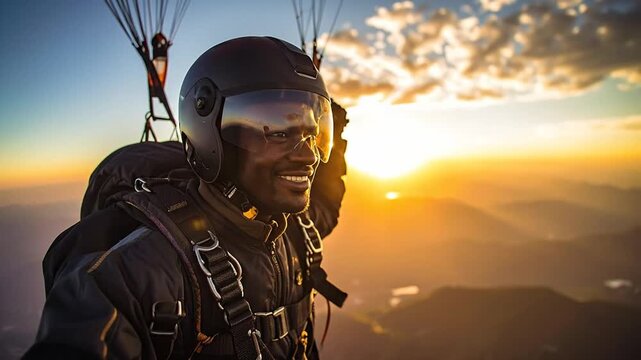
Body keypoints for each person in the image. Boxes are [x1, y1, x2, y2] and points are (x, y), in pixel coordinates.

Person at [25, 36, 348, 360]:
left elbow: (323, 212)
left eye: (314, 133)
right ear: (214, 136)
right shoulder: (135, 273)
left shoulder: (292, 232)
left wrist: (332, 164)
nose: (309, 156)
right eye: (278, 132)